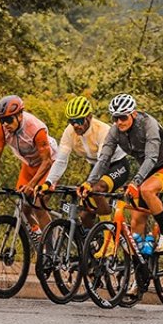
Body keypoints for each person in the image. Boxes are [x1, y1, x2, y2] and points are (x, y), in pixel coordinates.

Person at [79, 94, 163, 253]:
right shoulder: (115, 131)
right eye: (115, 118)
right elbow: (104, 159)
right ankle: (141, 266)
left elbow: (151, 157)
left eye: (123, 117)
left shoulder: (149, 124)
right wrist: (89, 182)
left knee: (146, 189)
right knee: (136, 223)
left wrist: (136, 182)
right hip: (147, 172)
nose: (119, 122)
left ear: (133, 113)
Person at [40, 96, 128, 226]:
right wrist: (48, 182)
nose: (75, 125)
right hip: (95, 167)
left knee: (98, 189)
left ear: (89, 117)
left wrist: (89, 183)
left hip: (116, 165)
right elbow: (61, 161)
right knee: (84, 214)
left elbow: (102, 161)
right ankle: (91, 244)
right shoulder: (69, 132)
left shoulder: (102, 130)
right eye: (72, 121)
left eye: (79, 120)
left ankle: (108, 235)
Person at [0, 95, 55, 239]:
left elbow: (47, 161)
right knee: (22, 206)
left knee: (39, 206)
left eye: (9, 119)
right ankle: (39, 236)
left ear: (20, 116)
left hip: (49, 164)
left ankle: (50, 251)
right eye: (2, 120)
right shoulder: (3, 129)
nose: (5, 124)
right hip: (29, 164)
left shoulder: (35, 129)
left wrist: (31, 185)